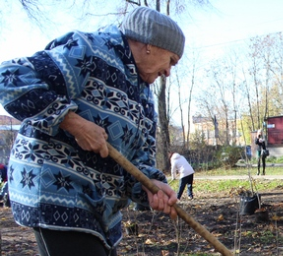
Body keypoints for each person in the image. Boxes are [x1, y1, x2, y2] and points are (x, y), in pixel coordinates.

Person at [0, 7, 184, 256]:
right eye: (171, 60)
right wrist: (73, 123)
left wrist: (150, 186)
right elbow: (10, 78)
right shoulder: (89, 50)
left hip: (101, 209)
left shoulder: (143, 97)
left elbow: (138, 162)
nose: (168, 72)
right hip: (57, 190)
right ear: (150, 44)